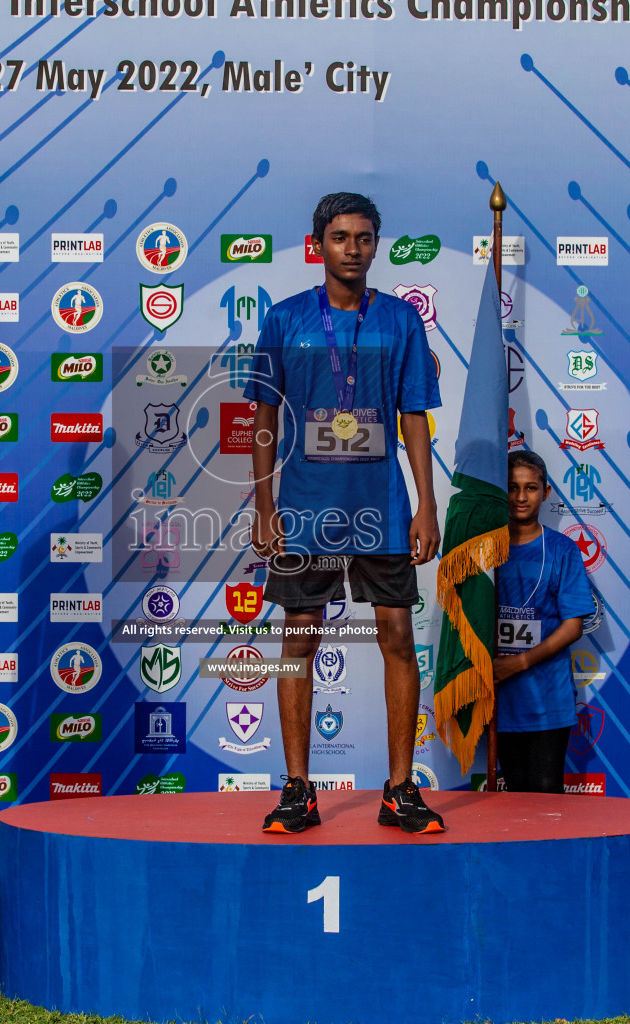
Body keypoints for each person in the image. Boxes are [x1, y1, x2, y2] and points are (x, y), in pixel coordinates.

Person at [246, 192, 444, 834]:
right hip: (305, 508)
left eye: (363, 237)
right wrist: (264, 505)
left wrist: (424, 504)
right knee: (297, 641)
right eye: (339, 237)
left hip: (382, 506)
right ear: (318, 245)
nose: (352, 248)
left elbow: (414, 413)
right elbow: (263, 418)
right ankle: (298, 789)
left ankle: (400, 788)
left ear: (375, 245)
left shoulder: (400, 321)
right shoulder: (283, 320)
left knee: (396, 640)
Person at [491, 450, 594, 792]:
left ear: (546, 493)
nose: (521, 497)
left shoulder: (563, 551)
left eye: (531, 488)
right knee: (512, 803)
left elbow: (572, 626)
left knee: (547, 803)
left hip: (549, 701)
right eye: (512, 487)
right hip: (499, 701)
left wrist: (516, 663)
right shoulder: (483, 549)